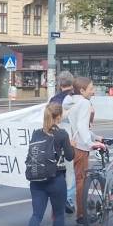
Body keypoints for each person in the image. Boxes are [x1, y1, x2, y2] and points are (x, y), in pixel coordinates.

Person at [25, 103, 75, 226]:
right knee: (59, 213)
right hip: (56, 179)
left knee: (36, 214)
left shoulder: (36, 133)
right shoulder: (62, 134)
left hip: (37, 180)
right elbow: (69, 156)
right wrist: (71, 145)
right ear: (58, 117)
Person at [64, 77, 105, 226]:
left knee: (67, 180)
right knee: (81, 182)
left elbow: (77, 125)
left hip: (69, 146)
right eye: (91, 88)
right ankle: (81, 215)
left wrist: (95, 136)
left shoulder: (70, 102)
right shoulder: (85, 103)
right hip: (80, 148)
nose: (93, 91)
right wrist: (91, 143)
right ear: (82, 90)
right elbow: (82, 126)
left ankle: (60, 210)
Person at [49, 70, 76, 215]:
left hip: (52, 139)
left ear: (59, 84)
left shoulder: (53, 99)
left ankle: (56, 200)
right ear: (72, 84)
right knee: (70, 172)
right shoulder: (72, 99)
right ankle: (69, 199)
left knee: (57, 172)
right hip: (67, 139)